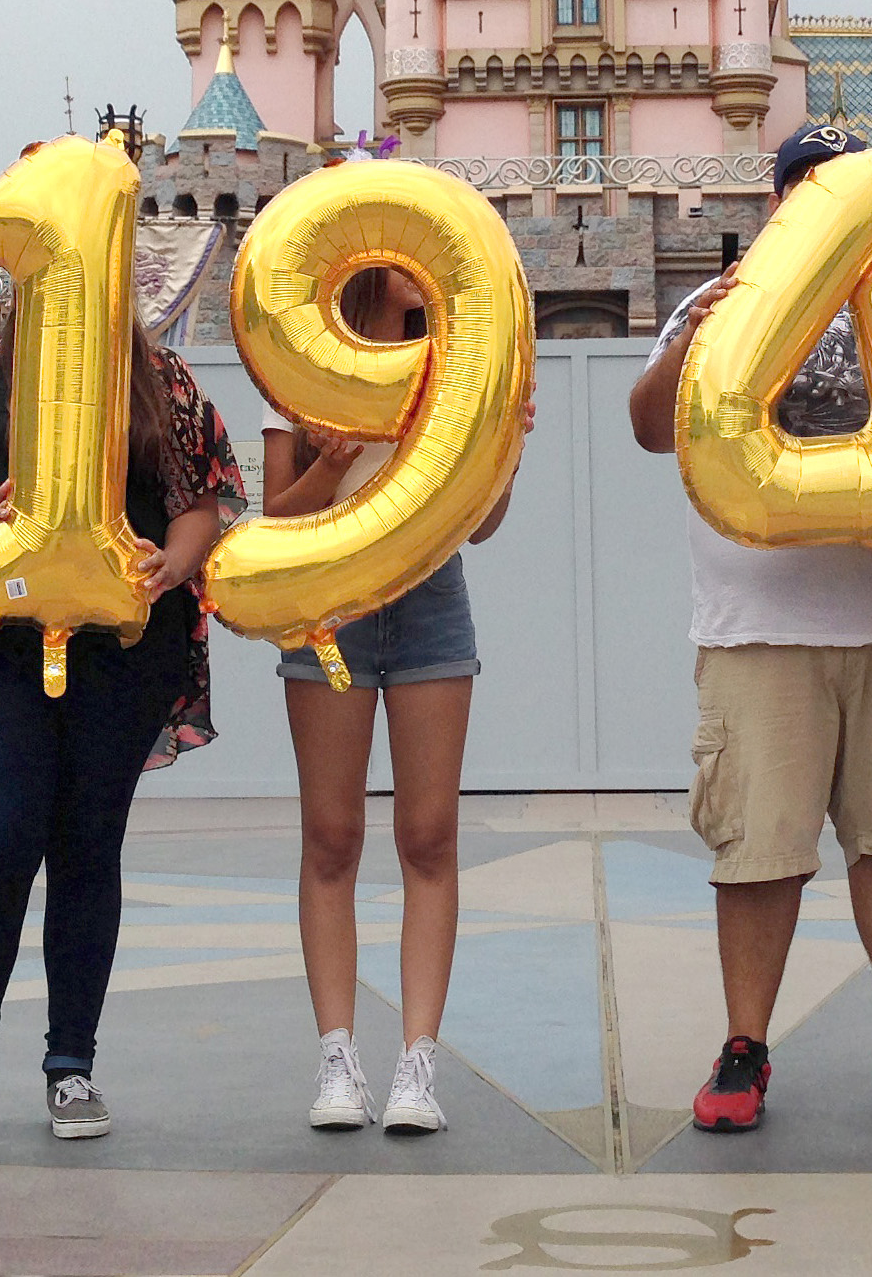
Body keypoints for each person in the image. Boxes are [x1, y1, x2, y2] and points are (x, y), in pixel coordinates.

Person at [626, 122, 872, 1134]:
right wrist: (702, 326)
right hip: (760, 625)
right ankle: (745, 1044)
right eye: (809, 187)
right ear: (781, 205)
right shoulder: (721, 306)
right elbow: (647, 421)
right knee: (759, 845)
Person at [0, 305, 238, 1149]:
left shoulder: (158, 375)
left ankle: (71, 1066)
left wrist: (172, 564)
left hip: (120, 649)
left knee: (87, 843)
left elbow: (200, 502)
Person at [262, 264, 516, 1137]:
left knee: (428, 834)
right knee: (331, 834)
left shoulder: (449, 362)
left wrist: (504, 448)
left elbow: (482, 524)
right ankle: (338, 1058)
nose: (430, 273)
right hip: (327, 605)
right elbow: (275, 519)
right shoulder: (298, 359)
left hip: (429, 599)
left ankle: (417, 1064)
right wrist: (330, 463)